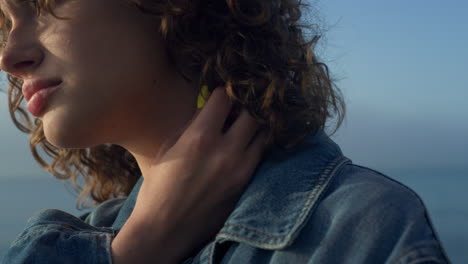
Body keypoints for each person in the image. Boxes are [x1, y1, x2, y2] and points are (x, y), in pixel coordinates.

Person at [0, 0, 452, 263]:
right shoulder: (74, 239)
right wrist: (137, 248)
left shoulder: (359, 229)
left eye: (41, 2)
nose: (9, 56)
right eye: (4, 22)